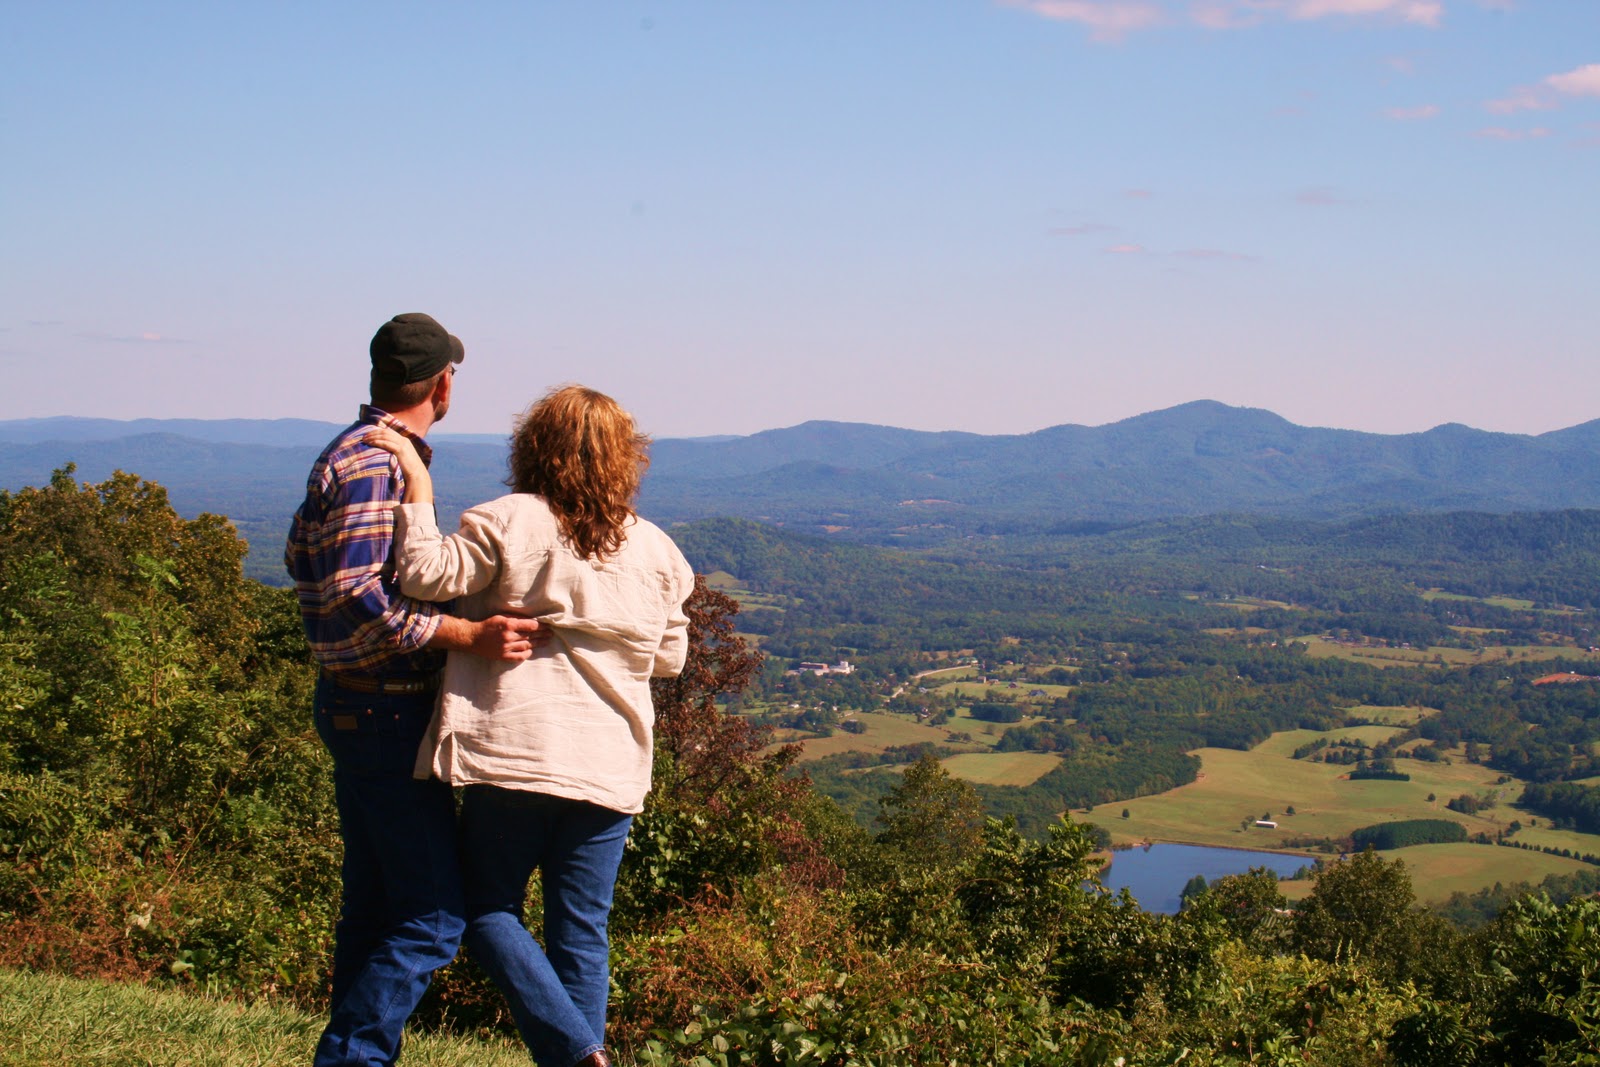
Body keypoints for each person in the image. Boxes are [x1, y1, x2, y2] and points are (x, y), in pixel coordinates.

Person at [367, 384, 694, 1067]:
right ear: (625, 460)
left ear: (533, 447)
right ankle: (583, 1054)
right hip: (610, 763)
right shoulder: (658, 551)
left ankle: (576, 1053)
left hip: (516, 750)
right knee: (582, 934)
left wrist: (418, 481)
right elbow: (670, 657)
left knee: (487, 910)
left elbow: (423, 572)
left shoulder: (509, 519)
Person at [286, 313, 546, 1067]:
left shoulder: (345, 452)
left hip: (351, 699)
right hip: (382, 705)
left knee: (372, 908)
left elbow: (307, 561)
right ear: (442, 383)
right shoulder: (377, 464)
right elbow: (351, 591)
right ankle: (353, 1058)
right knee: (435, 916)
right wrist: (464, 635)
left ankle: (353, 1052)